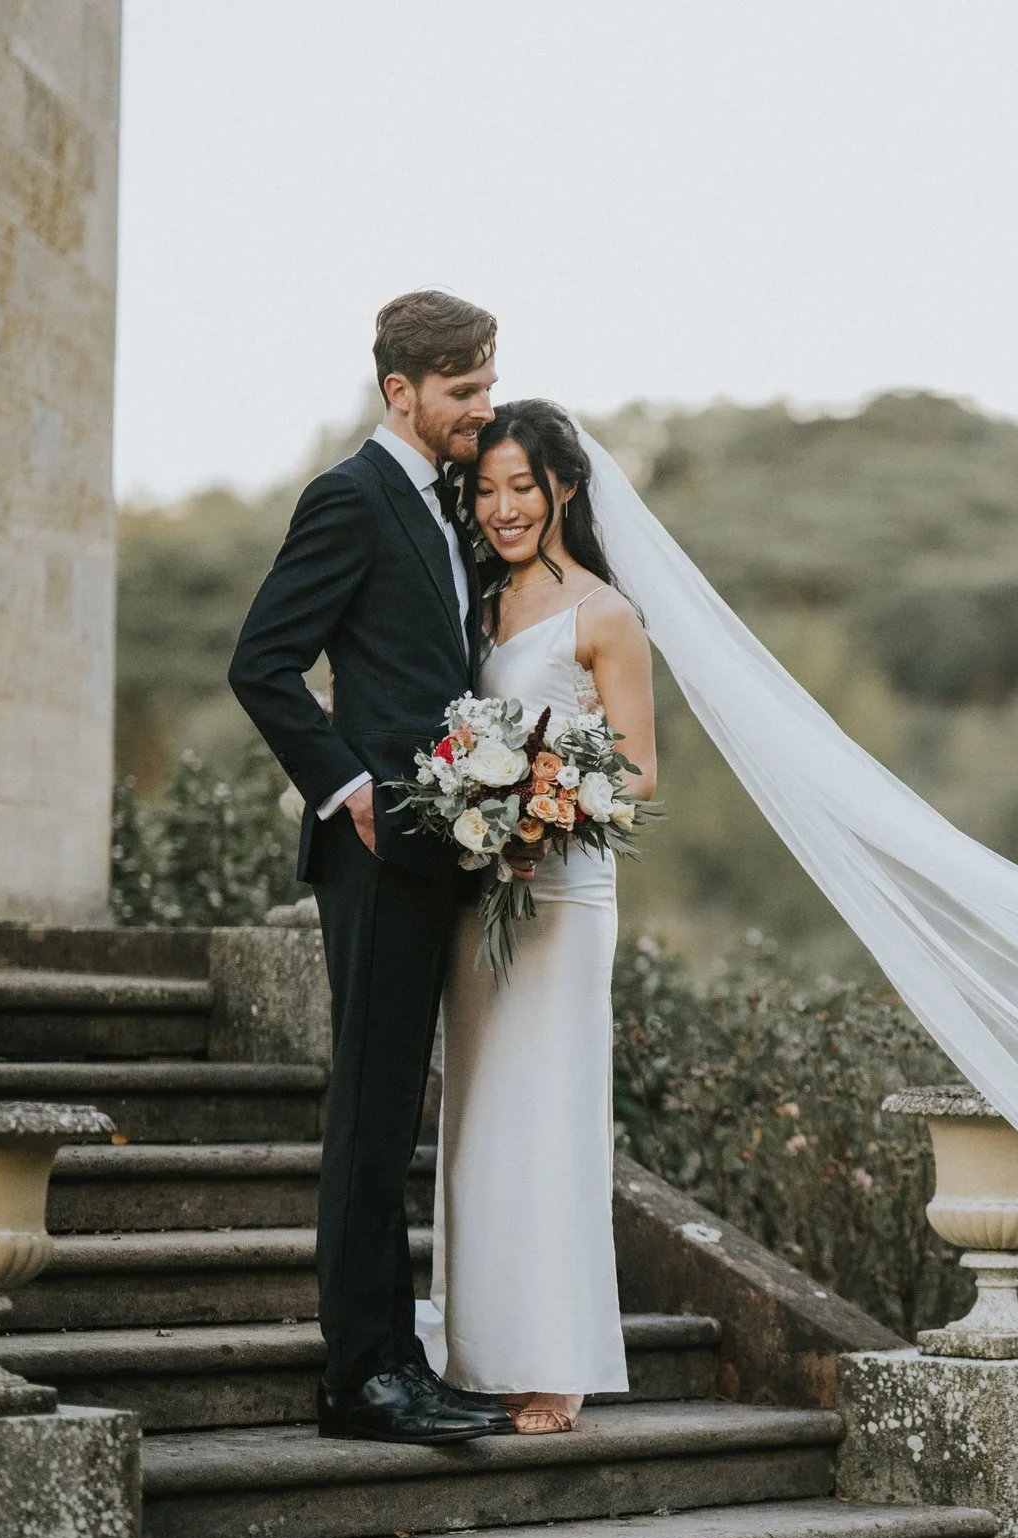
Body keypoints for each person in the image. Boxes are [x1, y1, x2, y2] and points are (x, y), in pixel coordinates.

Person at [229, 290, 513, 1444]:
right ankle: (360, 1376)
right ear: (399, 390)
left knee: (398, 1113)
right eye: (462, 392)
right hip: (377, 847)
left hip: (442, 850)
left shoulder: (444, 504)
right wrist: (347, 790)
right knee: (369, 1116)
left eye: (487, 386)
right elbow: (262, 663)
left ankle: (400, 1357)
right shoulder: (348, 497)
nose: (480, 410)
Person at [427, 399, 656, 1434]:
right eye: (486, 488)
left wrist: (544, 797)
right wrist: (477, 802)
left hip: (562, 896)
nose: (502, 506)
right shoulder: (482, 604)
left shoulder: (604, 613)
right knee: (480, 1118)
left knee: (549, 1115)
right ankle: (479, 1344)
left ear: (564, 485)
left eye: (522, 485)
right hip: (484, 893)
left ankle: (554, 1361)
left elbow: (642, 770)